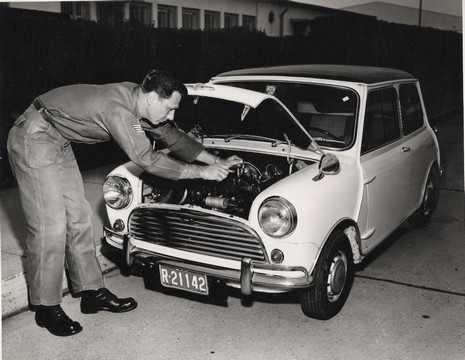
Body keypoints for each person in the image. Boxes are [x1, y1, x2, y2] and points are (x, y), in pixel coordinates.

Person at [7, 69, 242, 337]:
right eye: (170, 108)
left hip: (58, 141)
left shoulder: (139, 99)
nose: (172, 115)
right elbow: (147, 159)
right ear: (153, 97)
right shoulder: (118, 109)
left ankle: (91, 292)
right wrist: (201, 173)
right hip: (34, 136)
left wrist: (216, 162)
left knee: (80, 218)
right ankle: (46, 308)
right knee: (51, 226)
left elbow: (170, 135)